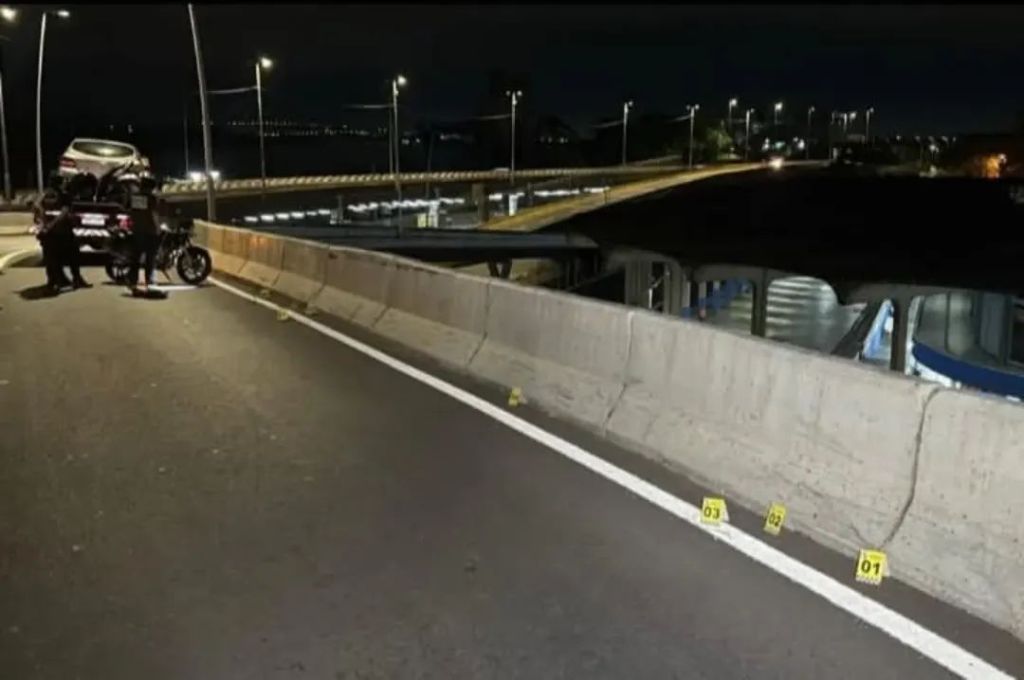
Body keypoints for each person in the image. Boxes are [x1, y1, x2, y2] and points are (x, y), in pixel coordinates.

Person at [125, 178, 163, 296]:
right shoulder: (151, 198)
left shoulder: (135, 197)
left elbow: (131, 211)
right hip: (149, 231)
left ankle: (133, 283)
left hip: (137, 231)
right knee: (150, 260)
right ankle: (149, 283)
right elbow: (153, 214)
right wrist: (158, 228)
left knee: (135, 259)